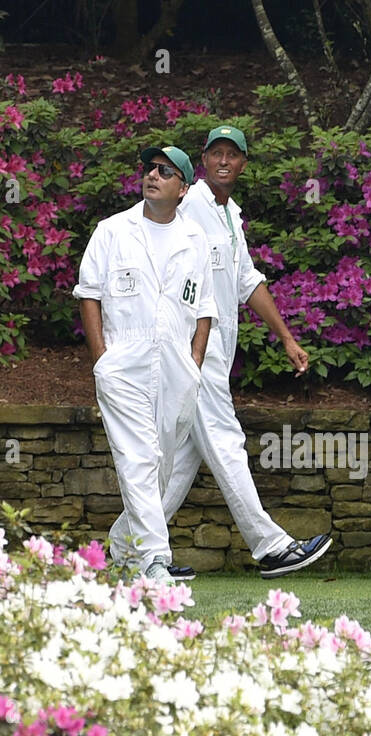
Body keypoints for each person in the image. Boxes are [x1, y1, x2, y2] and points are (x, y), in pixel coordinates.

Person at [107, 124, 332, 579]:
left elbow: (247, 280)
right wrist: (187, 349)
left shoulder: (231, 217)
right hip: (194, 351)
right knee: (227, 442)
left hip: (214, 354)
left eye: (233, 153)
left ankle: (125, 548)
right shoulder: (188, 206)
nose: (224, 160)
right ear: (204, 162)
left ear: (243, 164)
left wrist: (286, 338)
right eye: (216, 153)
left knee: (181, 462)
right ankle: (270, 546)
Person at [73, 145, 215, 585]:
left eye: (165, 171)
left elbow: (204, 307)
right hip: (124, 362)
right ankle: (155, 558)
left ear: (183, 188)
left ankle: (121, 547)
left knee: (162, 465)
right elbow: (89, 293)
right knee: (138, 458)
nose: (152, 175)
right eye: (150, 168)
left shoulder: (195, 241)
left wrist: (193, 361)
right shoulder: (113, 231)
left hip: (176, 365)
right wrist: (103, 359)